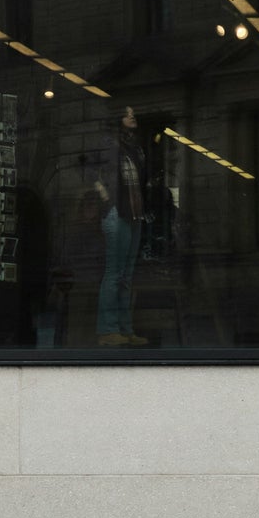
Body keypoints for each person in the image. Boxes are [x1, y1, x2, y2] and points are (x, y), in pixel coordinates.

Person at [91, 104, 147, 346]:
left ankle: (124, 329)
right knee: (115, 273)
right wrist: (105, 198)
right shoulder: (109, 145)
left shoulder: (134, 147)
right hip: (117, 213)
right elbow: (90, 172)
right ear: (117, 119)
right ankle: (108, 330)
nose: (132, 115)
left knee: (125, 276)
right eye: (127, 113)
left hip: (134, 213)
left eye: (133, 112)